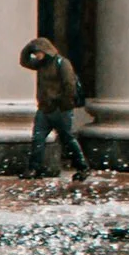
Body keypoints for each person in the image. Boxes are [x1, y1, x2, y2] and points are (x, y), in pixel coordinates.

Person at [22, 35, 89, 180]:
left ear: (45, 51)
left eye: (38, 52)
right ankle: (33, 168)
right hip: (45, 109)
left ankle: (82, 167)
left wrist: (63, 105)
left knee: (68, 139)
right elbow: (24, 61)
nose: (36, 56)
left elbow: (69, 85)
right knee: (38, 139)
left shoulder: (62, 63)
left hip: (60, 110)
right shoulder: (41, 64)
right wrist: (29, 46)